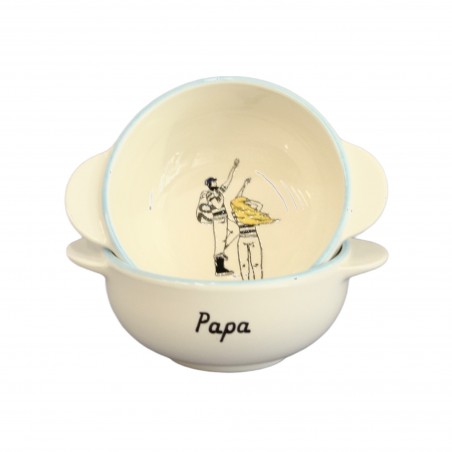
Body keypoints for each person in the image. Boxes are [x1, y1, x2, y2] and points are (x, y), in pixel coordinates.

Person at [196, 159, 240, 276]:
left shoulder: (218, 191)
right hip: (218, 220)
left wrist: (233, 168)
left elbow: (227, 182)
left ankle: (221, 252)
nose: (216, 182)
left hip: (224, 218)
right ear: (210, 184)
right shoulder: (209, 194)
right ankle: (219, 269)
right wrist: (217, 195)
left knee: (236, 230)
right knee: (220, 243)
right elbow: (218, 204)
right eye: (214, 181)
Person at [230, 178, 276, 280]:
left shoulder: (253, 214)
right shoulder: (236, 213)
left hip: (253, 238)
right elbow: (235, 200)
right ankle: (246, 284)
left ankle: (258, 283)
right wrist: (244, 187)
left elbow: (259, 205)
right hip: (242, 239)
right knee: (244, 264)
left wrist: (248, 201)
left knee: (256, 264)